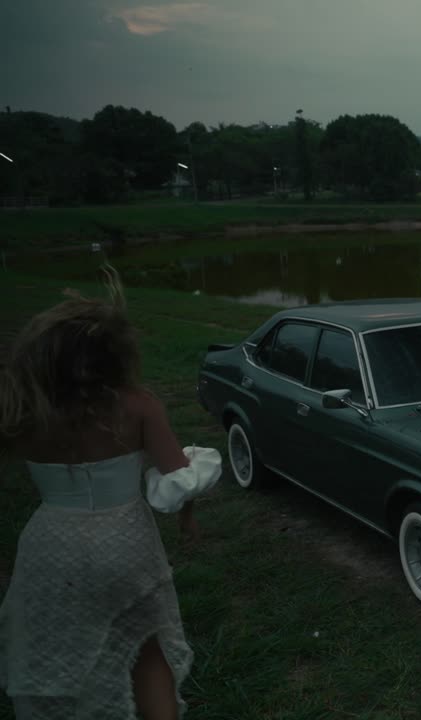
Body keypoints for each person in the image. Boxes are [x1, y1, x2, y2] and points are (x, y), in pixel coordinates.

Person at [0, 269, 219, 719]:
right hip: (125, 542)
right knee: (146, 650)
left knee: (64, 641)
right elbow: (177, 479)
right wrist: (187, 517)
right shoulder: (138, 405)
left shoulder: (25, 411)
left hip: (50, 543)